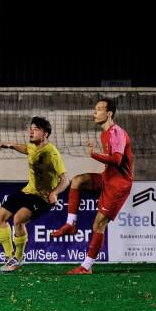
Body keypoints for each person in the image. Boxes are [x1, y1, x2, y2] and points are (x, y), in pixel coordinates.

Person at [51, 99, 134, 275]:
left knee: (98, 225)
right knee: (77, 180)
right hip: (107, 178)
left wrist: (93, 154)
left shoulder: (116, 132)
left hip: (118, 185)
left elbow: (117, 160)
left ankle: (86, 267)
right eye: (94, 109)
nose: (94, 113)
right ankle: (70, 224)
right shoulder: (104, 134)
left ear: (109, 113)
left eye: (98, 110)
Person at [0, 117, 68, 273]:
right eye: (31, 128)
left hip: (43, 197)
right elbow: (26, 149)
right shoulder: (34, 147)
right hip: (28, 191)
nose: (31, 131)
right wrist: (10, 145)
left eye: (36, 129)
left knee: (18, 219)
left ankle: (19, 259)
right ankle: (9, 257)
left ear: (45, 133)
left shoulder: (51, 153)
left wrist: (54, 193)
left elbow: (65, 180)